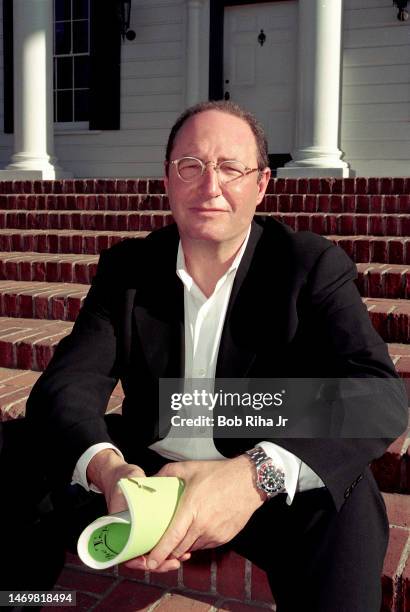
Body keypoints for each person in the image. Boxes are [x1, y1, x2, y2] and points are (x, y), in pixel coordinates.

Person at [1, 101, 407, 612]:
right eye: (189, 166)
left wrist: (251, 476)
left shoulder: (308, 264)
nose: (209, 185)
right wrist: (108, 470)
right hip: (145, 472)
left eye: (230, 167)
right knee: (14, 449)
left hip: (257, 475)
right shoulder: (128, 268)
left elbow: (378, 393)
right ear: (167, 180)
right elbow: (68, 385)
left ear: (261, 184)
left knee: (347, 497)